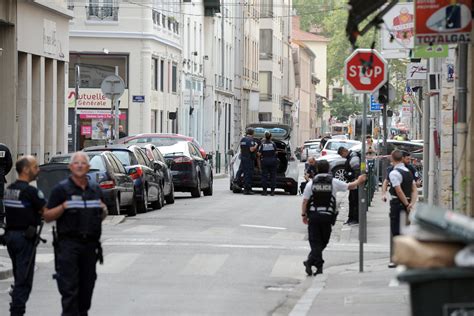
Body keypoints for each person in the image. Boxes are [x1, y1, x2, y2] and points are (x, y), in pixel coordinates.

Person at [43, 152, 108, 316]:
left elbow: (100, 215)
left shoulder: (95, 190)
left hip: (90, 247)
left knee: (86, 292)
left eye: (83, 163)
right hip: (68, 246)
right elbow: (47, 216)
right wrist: (63, 207)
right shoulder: (61, 190)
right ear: (70, 167)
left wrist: (104, 210)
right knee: (70, 292)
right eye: (76, 163)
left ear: (88, 167)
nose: (79, 165)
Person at [301, 160, 366, 276]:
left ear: (316, 169)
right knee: (324, 241)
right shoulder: (334, 182)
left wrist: (303, 215)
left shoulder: (311, 184)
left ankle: (310, 262)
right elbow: (350, 186)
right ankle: (318, 266)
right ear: (328, 169)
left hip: (314, 216)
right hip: (327, 216)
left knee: (315, 242)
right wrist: (359, 180)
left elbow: (305, 201)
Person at [3, 156, 46, 316]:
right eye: (35, 167)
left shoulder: (10, 189)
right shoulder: (30, 191)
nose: (38, 170)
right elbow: (46, 212)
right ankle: (16, 310)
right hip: (24, 239)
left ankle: (16, 304)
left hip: (11, 238)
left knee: (19, 276)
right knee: (24, 281)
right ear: (26, 170)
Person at [384, 150, 418, 239]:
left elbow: (398, 191)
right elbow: (414, 190)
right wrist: (411, 204)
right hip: (408, 203)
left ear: (392, 158)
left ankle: (398, 251)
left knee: (396, 231)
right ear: (402, 158)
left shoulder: (394, 173)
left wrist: (406, 204)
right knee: (405, 230)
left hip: (398, 204)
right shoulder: (408, 171)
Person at [337, 147, 361, 225]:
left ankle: (355, 219)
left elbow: (356, 171)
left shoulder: (353, 157)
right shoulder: (351, 157)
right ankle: (351, 218)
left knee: (354, 200)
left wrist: (348, 175)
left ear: (344, 151)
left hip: (355, 182)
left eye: (342, 155)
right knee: (351, 200)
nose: (342, 157)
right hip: (353, 183)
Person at [239, 128, 258, 195]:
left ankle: (246, 188)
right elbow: (251, 149)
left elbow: (241, 149)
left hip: (243, 158)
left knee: (245, 174)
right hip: (249, 159)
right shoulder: (251, 140)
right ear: (252, 133)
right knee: (249, 174)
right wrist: (256, 145)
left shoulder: (242, 139)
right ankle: (247, 189)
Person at [259, 131, 278, 196]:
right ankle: (272, 191)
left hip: (264, 161)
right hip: (272, 161)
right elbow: (276, 153)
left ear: (265, 137)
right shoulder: (273, 144)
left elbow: (259, 153)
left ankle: (264, 191)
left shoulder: (262, 144)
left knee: (264, 176)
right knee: (273, 176)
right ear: (270, 137)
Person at [0, 143, 13, 223]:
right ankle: (1, 220)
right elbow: (9, 164)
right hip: (0, 176)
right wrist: (3, 173)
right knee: (0, 198)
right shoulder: (4, 148)